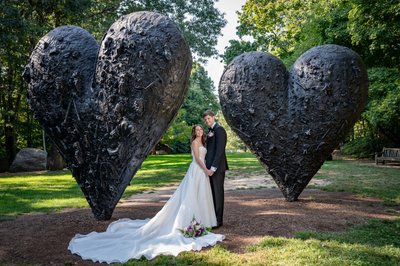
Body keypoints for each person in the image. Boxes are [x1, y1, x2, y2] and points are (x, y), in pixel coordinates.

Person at [68, 125, 224, 263]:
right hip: (197, 171)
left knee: (201, 196)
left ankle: (201, 221)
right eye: (196, 129)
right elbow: (197, 158)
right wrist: (206, 170)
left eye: (200, 129)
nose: (199, 131)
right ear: (194, 132)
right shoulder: (195, 143)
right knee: (190, 197)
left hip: (202, 173)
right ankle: (189, 223)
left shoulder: (204, 141)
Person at [203, 111, 228, 229]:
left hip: (217, 168)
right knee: (212, 193)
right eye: (206, 120)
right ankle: (213, 218)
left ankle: (219, 220)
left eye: (209, 118)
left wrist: (213, 167)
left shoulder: (219, 130)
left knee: (218, 194)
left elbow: (219, 151)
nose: (207, 121)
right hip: (209, 168)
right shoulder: (210, 131)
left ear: (213, 117)